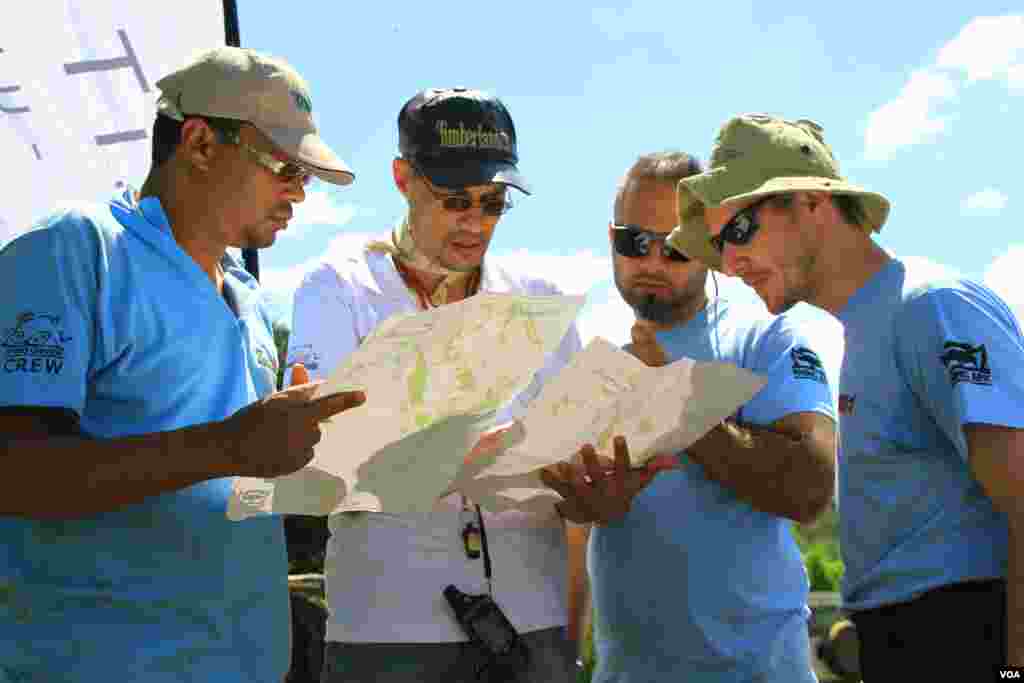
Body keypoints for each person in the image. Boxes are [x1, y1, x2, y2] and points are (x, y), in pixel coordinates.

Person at [0, 47, 366, 682]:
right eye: (284, 166)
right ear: (199, 143)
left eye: (305, 176)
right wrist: (230, 445)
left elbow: (235, 480)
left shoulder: (249, 299)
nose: (299, 193)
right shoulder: (75, 249)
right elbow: (14, 471)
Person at [667, 113, 1024, 678]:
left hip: (966, 635)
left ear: (812, 201)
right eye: (717, 244)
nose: (730, 263)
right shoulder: (868, 328)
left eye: (737, 231)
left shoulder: (931, 307)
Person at [285, 87, 584, 682]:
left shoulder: (541, 298)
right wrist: (455, 457)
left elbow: (579, 473)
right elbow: (318, 466)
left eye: (494, 203)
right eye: (455, 201)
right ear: (402, 178)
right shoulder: (338, 287)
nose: (475, 223)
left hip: (534, 629)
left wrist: (596, 481)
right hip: (387, 632)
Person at [540, 151, 841, 682]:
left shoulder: (768, 339)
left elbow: (811, 490)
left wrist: (675, 399)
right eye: (635, 243)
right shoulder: (593, 364)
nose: (653, 263)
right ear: (611, 239)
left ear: (711, 249)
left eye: (676, 247)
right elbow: (576, 532)